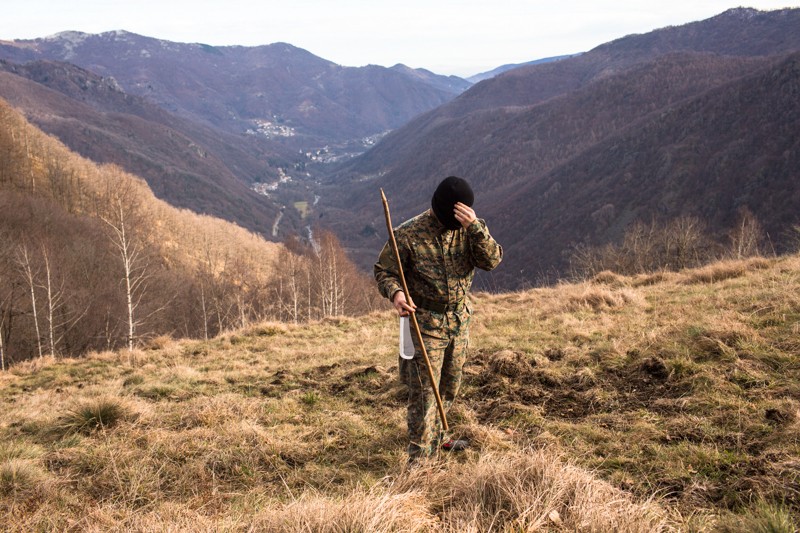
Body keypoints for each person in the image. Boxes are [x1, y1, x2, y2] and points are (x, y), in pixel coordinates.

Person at [374, 176, 503, 462]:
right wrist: (396, 294)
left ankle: (440, 438)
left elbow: (492, 261)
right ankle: (419, 459)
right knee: (424, 392)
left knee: (449, 385)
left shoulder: (471, 230)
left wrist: (476, 229)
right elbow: (384, 271)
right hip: (424, 323)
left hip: (459, 320)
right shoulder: (408, 235)